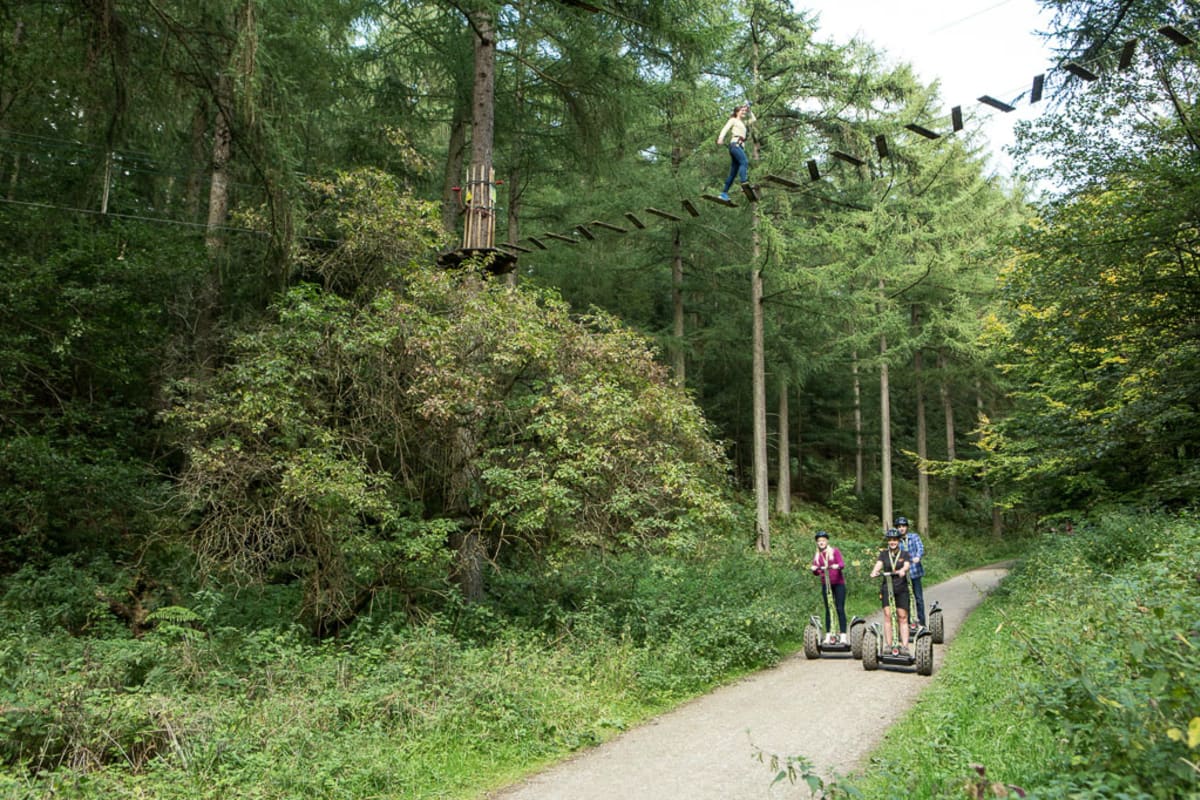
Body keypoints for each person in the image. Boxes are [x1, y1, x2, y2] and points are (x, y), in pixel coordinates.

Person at [870, 528, 911, 655]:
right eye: (890, 540)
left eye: (894, 540)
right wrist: (875, 571)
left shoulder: (904, 554)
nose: (892, 542)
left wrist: (903, 570)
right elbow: (879, 564)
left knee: (902, 617)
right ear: (888, 541)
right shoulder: (883, 554)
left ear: (898, 541)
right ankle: (888, 645)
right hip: (887, 588)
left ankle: (904, 646)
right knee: (888, 616)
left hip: (901, 588)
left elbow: (907, 565)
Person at [810, 530, 847, 644]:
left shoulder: (834, 551)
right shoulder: (817, 556)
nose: (821, 542)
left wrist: (836, 566)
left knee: (839, 608)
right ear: (817, 543)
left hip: (838, 584)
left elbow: (842, 564)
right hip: (826, 585)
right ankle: (828, 635)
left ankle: (843, 636)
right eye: (819, 541)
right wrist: (814, 569)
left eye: (823, 540)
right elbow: (816, 572)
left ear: (827, 541)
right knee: (828, 609)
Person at [715, 103, 755, 201]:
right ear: (737, 112)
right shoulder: (733, 120)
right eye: (742, 111)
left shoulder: (743, 123)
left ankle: (723, 193)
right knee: (744, 162)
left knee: (733, 173)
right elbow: (725, 128)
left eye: (744, 111)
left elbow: (753, 119)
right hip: (735, 145)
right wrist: (721, 138)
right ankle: (744, 183)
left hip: (739, 147)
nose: (744, 112)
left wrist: (749, 111)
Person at [895, 516, 926, 627]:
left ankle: (922, 623)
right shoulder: (896, 541)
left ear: (907, 527)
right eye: (899, 526)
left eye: (903, 526)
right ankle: (906, 624)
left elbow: (920, 548)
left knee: (918, 598)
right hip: (903, 575)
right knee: (905, 600)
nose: (901, 528)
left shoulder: (914, 537)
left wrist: (918, 556)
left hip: (915, 572)